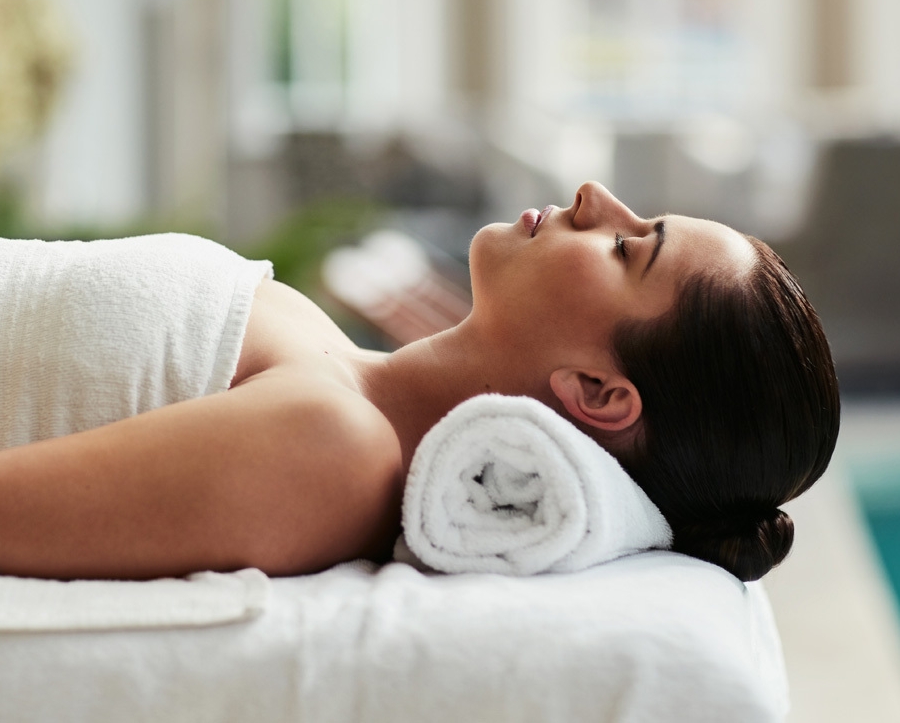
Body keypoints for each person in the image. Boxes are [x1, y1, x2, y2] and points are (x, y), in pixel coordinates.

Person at [0, 181, 839, 582]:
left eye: (628, 248)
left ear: (598, 391)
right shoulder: (329, 360)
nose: (596, 197)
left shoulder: (331, 453)